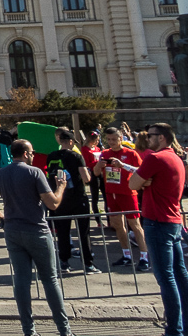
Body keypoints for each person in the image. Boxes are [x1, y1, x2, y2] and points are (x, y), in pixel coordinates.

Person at [0, 139, 74, 336]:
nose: (33, 155)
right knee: (50, 279)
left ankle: (29, 330)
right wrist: (61, 187)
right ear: (25, 153)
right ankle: (64, 330)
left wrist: (1, 216)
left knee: (22, 281)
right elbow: (53, 204)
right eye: (31, 152)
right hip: (37, 230)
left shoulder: (1, 173)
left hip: (13, 230)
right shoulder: (34, 172)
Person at [130, 122, 188, 336]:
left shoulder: (155, 158)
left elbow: (132, 184)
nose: (146, 139)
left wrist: (144, 181)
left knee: (167, 278)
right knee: (180, 275)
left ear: (162, 137)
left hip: (157, 221)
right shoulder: (175, 157)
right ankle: (182, 325)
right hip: (173, 221)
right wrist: (145, 181)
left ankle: (174, 329)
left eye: (150, 135)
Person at [94, 126, 149, 272]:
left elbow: (142, 171)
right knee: (117, 224)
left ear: (120, 139)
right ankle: (126, 255)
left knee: (135, 224)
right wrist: (99, 166)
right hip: (111, 193)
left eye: (114, 139)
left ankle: (144, 256)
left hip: (128, 192)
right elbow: (95, 172)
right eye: (109, 139)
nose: (111, 142)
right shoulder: (104, 153)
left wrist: (122, 165)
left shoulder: (130, 153)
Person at [45, 129, 98, 274]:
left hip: (60, 197)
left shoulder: (51, 156)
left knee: (63, 232)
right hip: (78, 197)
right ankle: (88, 264)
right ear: (70, 142)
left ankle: (64, 262)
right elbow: (86, 178)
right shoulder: (76, 156)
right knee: (83, 231)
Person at [79, 130, 103, 224]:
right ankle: (98, 220)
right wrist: (97, 163)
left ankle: (109, 220)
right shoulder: (84, 149)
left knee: (105, 194)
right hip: (92, 173)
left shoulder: (97, 149)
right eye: (96, 140)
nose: (97, 142)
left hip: (100, 172)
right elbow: (87, 163)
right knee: (95, 197)